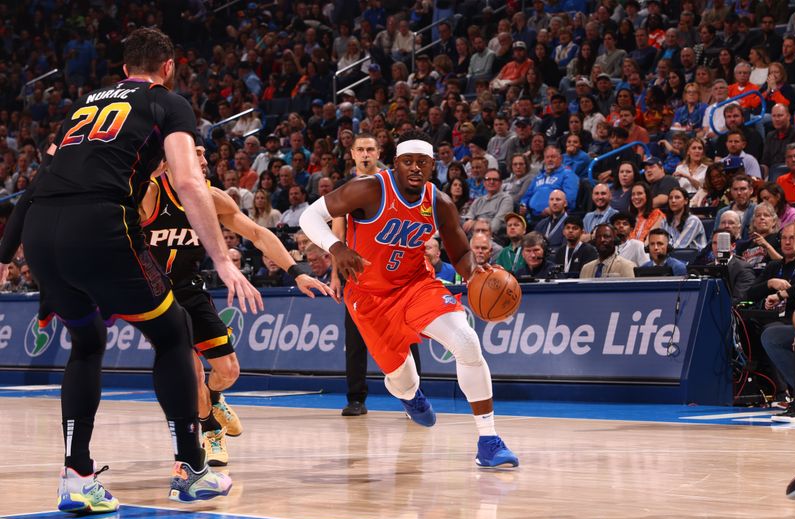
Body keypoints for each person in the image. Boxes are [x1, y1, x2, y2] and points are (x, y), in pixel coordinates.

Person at [0, 28, 263, 510]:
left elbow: (36, 186)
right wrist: (223, 260)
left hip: (41, 230)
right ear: (168, 67)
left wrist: (3, 257)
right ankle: (191, 468)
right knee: (173, 332)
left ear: (124, 70)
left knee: (87, 343)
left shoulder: (84, 107)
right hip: (99, 223)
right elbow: (187, 179)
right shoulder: (168, 101)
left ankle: (77, 475)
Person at [299, 131, 518, 468]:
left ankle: (489, 441)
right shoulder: (370, 188)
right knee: (403, 380)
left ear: (432, 165)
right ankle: (410, 396)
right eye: (408, 162)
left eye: (423, 163)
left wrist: (474, 273)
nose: (416, 168)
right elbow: (308, 217)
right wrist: (337, 248)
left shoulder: (439, 202)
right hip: (369, 298)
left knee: (467, 341)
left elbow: (459, 251)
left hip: (416, 285)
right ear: (396, 163)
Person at [141, 141, 333, 466]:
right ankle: (211, 432)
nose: (203, 158)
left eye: (204, 152)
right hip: (156, 296)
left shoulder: (212, 198)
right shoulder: (150, 194)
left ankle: (216, 399)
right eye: (194, 152)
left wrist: (296, 271)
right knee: (191, 373)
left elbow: (258, 234)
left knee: (228, 371)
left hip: (190, 288)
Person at [331, 132, 422, 418]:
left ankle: (414, 397)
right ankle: (356, 398)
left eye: (371, 148)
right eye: (361, 149)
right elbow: (337, 234)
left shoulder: (393, 185)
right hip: (357, 275)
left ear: (379, 152)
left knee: (405, 336)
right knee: (356, 338)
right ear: (353, 154)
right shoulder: (346, 188)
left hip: (396, 274)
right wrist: (335, 274)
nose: (366, 153)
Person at [736, 202, 782, 268]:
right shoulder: (746, 244)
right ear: (754, 222)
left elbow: (783, 263)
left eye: (766, 215)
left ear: (774, 221)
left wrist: (767, 246)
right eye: (758, 215)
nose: (762, 218)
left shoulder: (779, 239)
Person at [714, 174, 756, 239]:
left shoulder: (756, 211)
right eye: (735, 189)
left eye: (743, 189)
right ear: (731, 191)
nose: (739, 193)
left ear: (751, 190)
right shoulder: (722, 212)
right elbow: (714, 237)